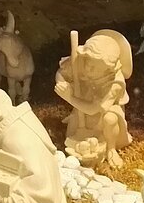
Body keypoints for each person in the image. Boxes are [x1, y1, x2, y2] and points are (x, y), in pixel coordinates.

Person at [54, 30, 132, 167]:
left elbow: (94, 109)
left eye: (95, 68)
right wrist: (63, 84)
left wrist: (69, 98)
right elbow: (61, 73)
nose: (88, 69)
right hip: (81, 106)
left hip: (101, 111)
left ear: (108, 69)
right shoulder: (80, 61)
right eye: (88, 64)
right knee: (72, 132)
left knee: (110, 118)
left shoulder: (116, 83)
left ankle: (111, 149)